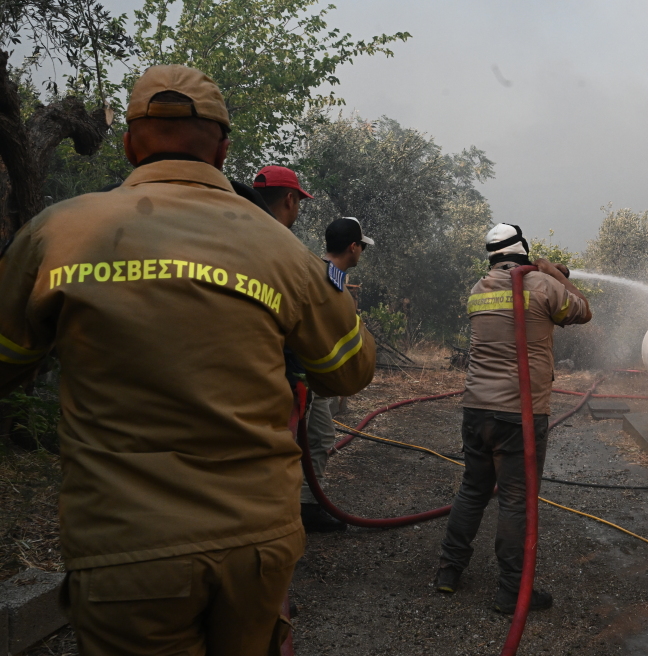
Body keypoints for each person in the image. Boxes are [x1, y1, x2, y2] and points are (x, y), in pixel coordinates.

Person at [0, 64, 376, 654]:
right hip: (255, 544)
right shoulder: (282, 250)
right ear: (224, 150)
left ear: (127, 144)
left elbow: (6, 359)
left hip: (125, 550)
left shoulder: (56, 234)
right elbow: (348, 369)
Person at [435, 223, 592, 614]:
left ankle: (448, 572)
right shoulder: (540, 285)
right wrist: (553, 272)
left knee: (472, 490)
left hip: (476, 410)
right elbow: (583, 311)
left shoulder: (478, 289)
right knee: (515, 501)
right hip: (518, 415)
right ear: (522, 250)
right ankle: (511, 592)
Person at [298, 216, 375, 532]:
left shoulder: (319, 273)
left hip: (308, 380)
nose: (362, 254)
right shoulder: (329, 282)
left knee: (319, 437)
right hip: (303, 380)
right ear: (353, 247)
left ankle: (305, 504)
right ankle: (305, 508)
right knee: (314, 439)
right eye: (362, 247)